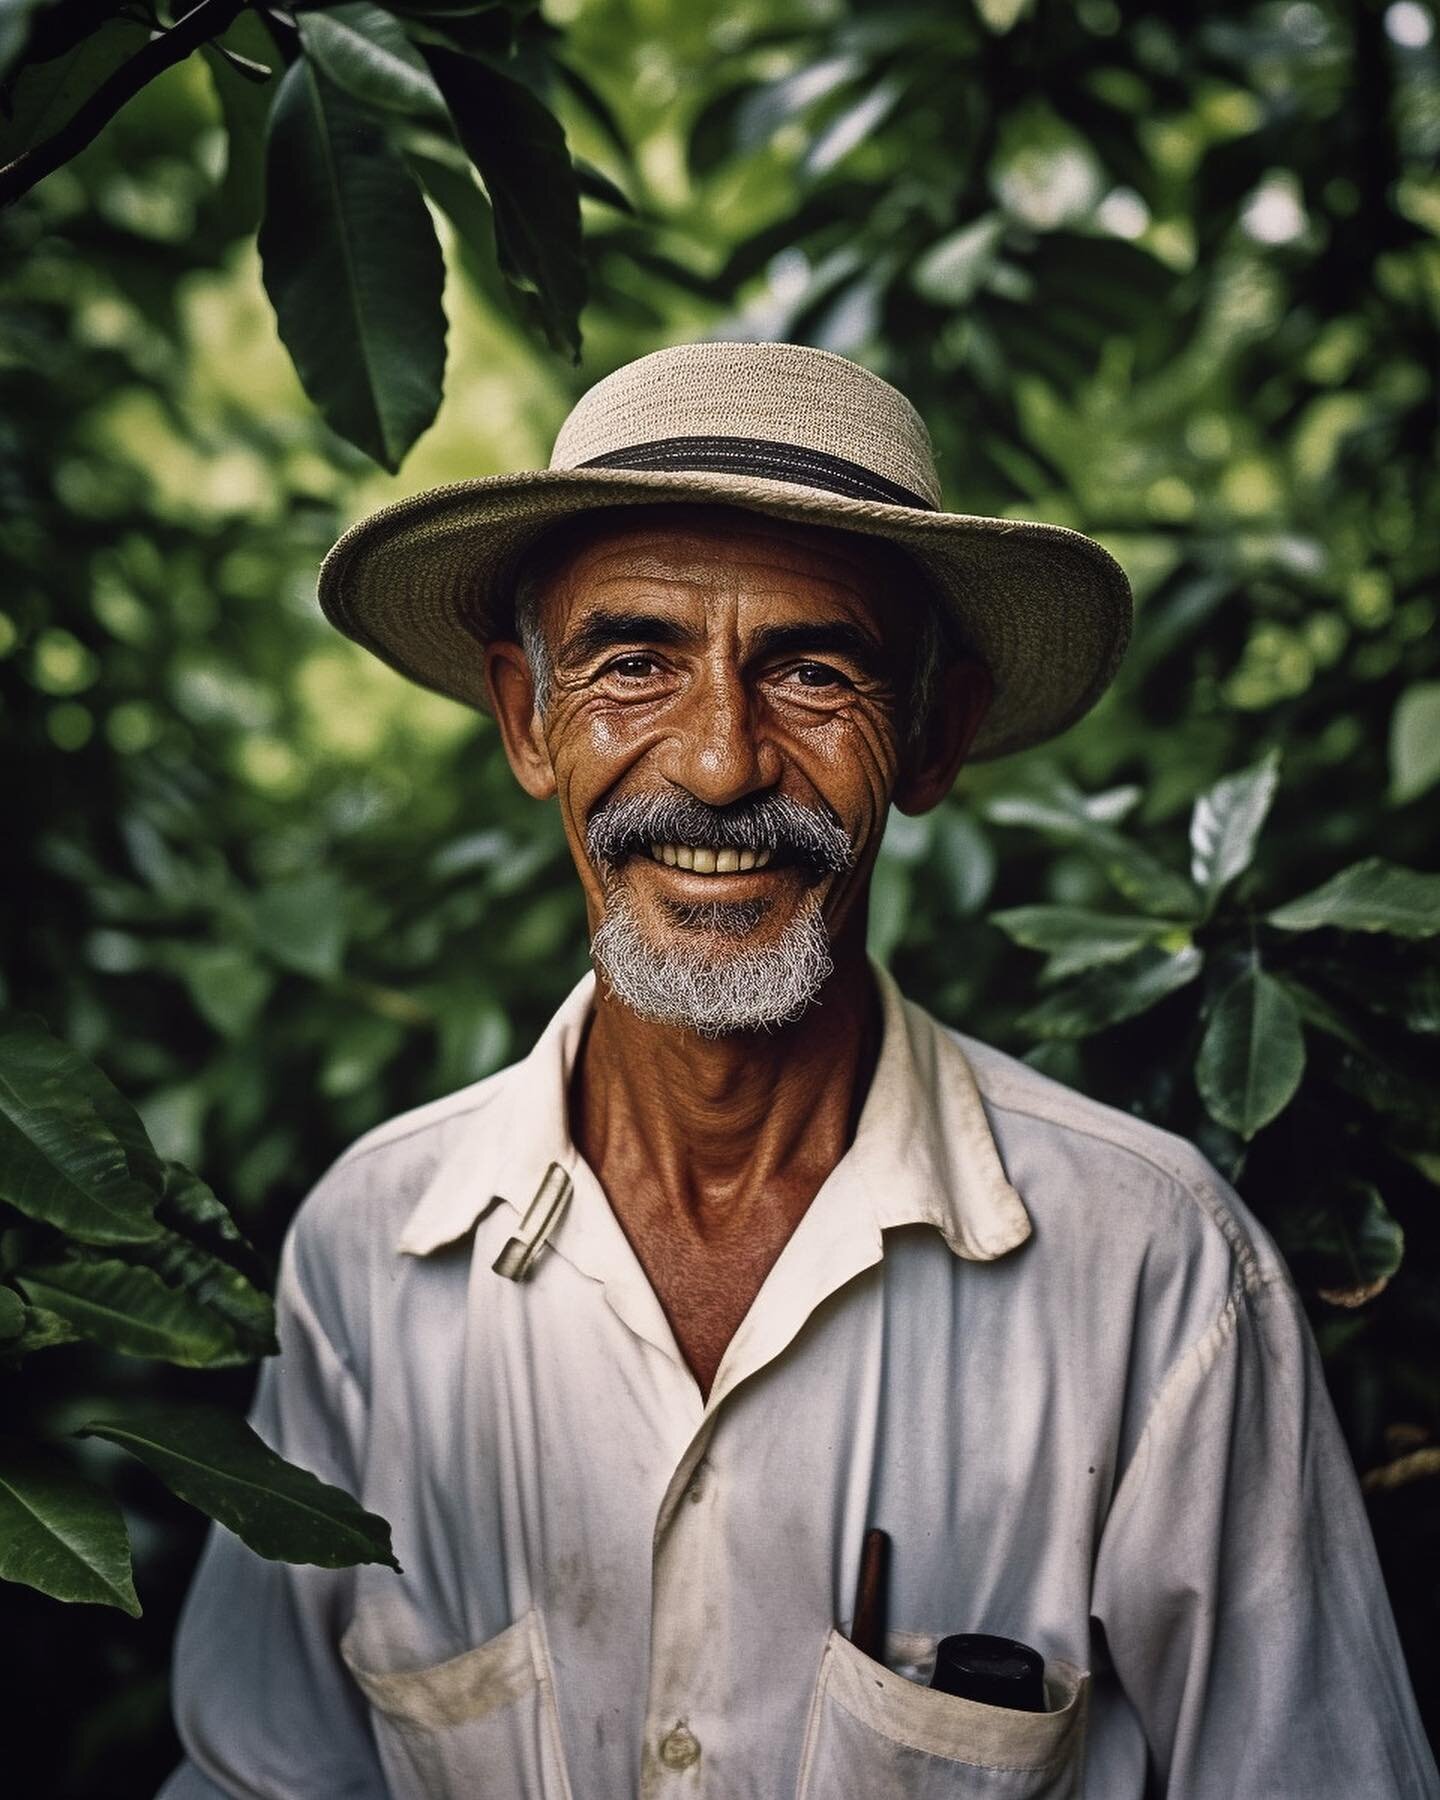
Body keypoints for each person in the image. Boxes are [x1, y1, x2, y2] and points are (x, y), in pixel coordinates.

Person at [159, 342, 1437, 1799]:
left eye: (814, 672)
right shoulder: (369, 1261)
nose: (717, 765)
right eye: (634, 663)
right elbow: (263, 1774)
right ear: (526, 719)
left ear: (935, 735)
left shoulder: (1151, 1270)